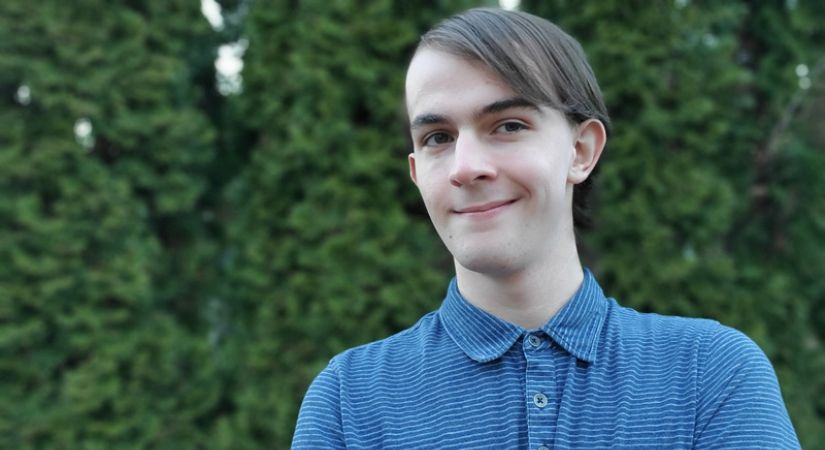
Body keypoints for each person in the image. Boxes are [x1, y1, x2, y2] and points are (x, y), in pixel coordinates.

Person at [292, 7, 800, 449]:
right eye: (438, 138)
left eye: (508, 125)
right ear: (415, 172)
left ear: (581, 151)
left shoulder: (709, 374)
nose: (464, 167)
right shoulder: (349, 402)